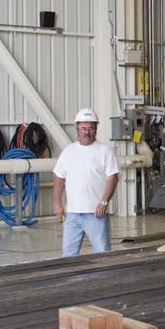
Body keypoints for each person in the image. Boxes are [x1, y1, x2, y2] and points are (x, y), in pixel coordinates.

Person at [52, 108, 120, 256]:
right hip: (72, 214)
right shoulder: (68, 152)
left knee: (102, 253)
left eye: (91, 128)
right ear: (77, 129)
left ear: (96, 129)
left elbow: (112, 178)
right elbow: (59, 179)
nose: (87, 132)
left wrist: (104, 202)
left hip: (96, 213)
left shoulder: (104, 151)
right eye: (83, 128)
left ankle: (105, 279)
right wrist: (57, 203)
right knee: (68, 255)